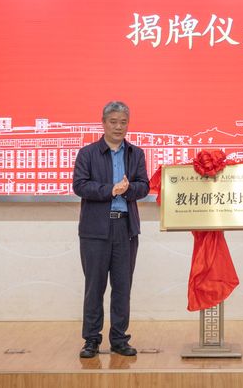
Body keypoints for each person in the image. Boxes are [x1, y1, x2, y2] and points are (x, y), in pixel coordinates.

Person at [73, 101, 150, 358]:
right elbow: (80, 186)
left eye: (123, 122)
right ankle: (91, 340)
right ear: (103, 123)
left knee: (122, 287)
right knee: (94, 287)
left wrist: (128, 189)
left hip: (125, 228)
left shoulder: (136, 154)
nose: (119, 127)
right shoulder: (87, 153)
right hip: (95, 230)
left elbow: (144, 186)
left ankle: (119, 339)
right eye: (114, 122)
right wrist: (111, 190)